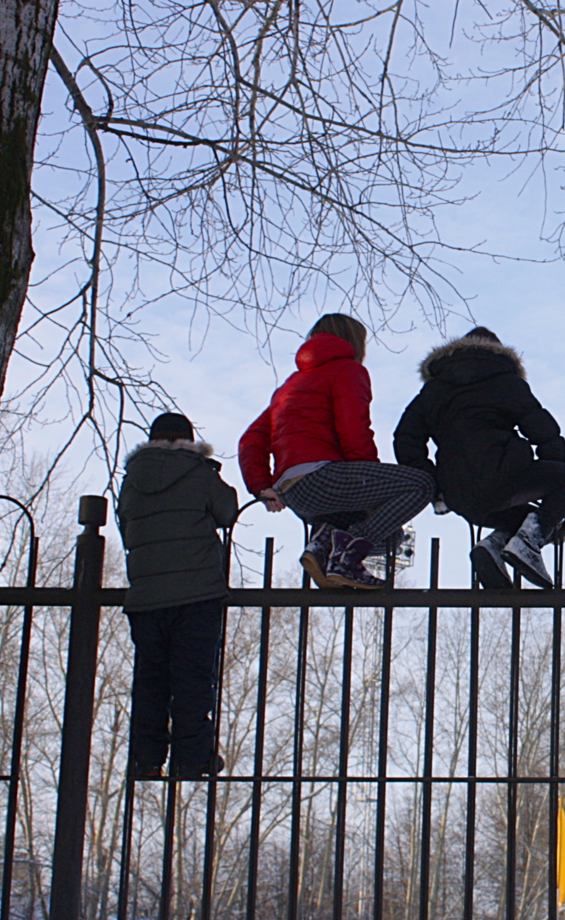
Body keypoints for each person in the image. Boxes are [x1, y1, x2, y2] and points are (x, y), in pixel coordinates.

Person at [240, 314, 433, 589]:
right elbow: (353, 431)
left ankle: (324, 544)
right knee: (421, 484)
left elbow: (251, 439)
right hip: (322, 478)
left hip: (293, 492)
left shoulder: (290, 385)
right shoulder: (347, 370)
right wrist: (374, 490)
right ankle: (347, 557)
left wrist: (261, 486)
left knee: (393, 539)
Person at [394, 326, 565, 589]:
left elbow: (407, 439)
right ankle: (528, 544)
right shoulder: (507, 384)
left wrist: (434, 486)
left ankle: (494, 546)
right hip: (505, 478)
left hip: (460, 495)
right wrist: (546, 489)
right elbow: (546, 435)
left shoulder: (433, 391)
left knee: (531, 521)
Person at [118, 412, 239, 779]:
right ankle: (191, 758)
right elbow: (228, 511)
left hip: (146, 596)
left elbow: (127, 527)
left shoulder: (132, 480)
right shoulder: (198, 472)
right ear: (188, 440)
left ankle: (146, 758)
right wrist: (211, 470)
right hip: (195, 593)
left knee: (151, 679)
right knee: (192, 680)